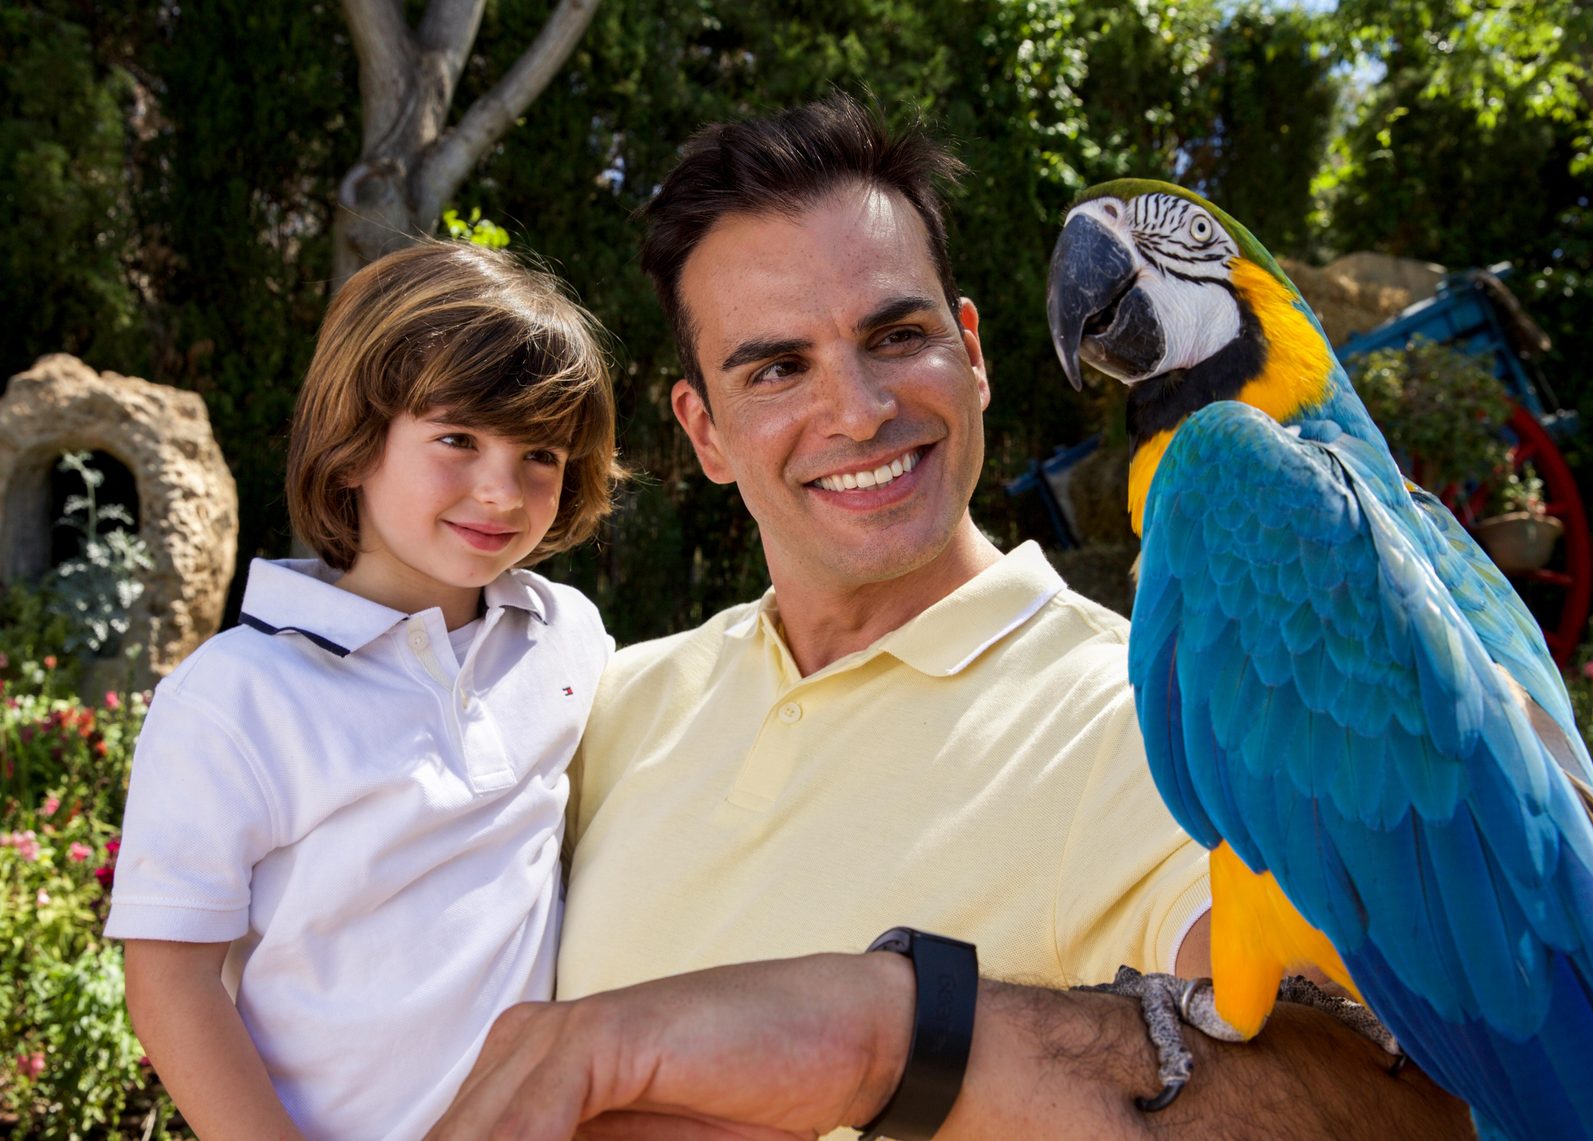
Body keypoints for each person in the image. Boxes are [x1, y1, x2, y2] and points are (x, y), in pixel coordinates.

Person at [426, 95, 1473, 1139]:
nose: (859, 409)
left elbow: (1392, 1105)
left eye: (896, 336)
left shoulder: (1152, 717)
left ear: (970, 355)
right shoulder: (603, 700)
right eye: (779, 368)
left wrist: (888, 1038)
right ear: (702, 430)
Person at [106, 241, 624, 1139]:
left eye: (540, 451)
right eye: (457, 438)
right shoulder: (235, 696)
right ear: (353, 449)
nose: (501, 490)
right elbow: (169, 980)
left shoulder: (567, 633)